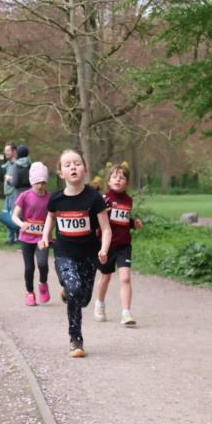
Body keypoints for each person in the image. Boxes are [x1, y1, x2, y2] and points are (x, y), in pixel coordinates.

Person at [38, 149, 112, 357]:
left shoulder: (94, 198)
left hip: (89, 255)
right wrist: (45, 237)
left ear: (85, 170)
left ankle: (70, 293)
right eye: (68, 164)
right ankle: (75, 339)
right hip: (64, 254)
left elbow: (106, 229)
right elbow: (50, 218)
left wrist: (104, 249)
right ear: (61, 173)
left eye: (77, 163)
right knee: (74, 287)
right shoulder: (56, 198)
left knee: (83, 298)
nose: (73, 167)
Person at [94, 163, 143, 325]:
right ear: (108, 181)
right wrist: (102, 214)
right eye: (114, 177)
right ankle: (100, 304)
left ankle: (126, 313)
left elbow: (122, 220)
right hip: (106, 245)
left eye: (122, 178)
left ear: (126, 183)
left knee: (125, 278)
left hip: (123, 245)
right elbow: (95, 221)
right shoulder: (103, 199)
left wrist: (132, 223)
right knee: (106, 277)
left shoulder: (128, 200)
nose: (118, 180)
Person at [13, 162, 53, 306]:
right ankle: (29, 292)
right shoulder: (24, 196)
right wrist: (22, 224)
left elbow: (53, 216)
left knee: (42, 264)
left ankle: (43, 284)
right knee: (29, 267)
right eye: (37, 182)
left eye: (42, 182)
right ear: (32, 181)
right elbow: (14, 216)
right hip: (26, 237)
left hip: (43, 237)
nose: (40, 186)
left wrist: (48, 232)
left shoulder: (50, 197)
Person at [0, 143, 32, 244]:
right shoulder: (10, 164)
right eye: (5, 150)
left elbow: (15, 182)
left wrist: (8, 180)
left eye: (8, 150)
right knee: (15, 217)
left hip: (15, 194)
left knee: (15, 217)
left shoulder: (17, 165)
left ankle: (20, 238)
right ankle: (12, 238)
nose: (6, 153)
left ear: (15, 152)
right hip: (15, 194)